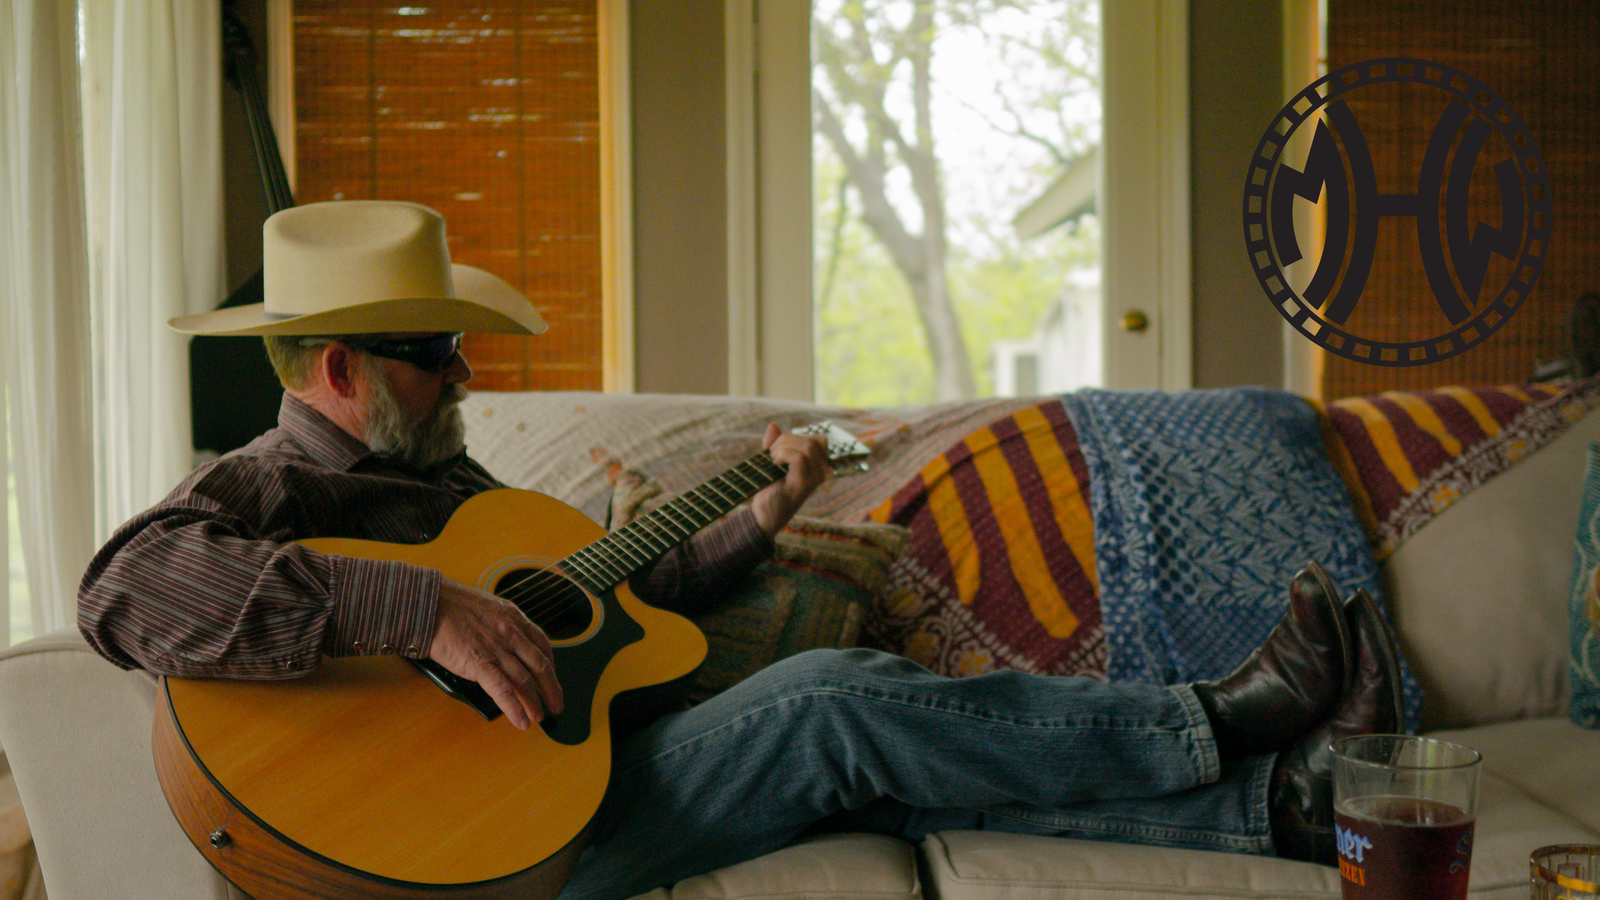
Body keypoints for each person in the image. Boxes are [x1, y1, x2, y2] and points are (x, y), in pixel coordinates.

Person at [78, 200, 1403, 899]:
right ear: (337, 368)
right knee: (830, 705)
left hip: (561, 792)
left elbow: (619, 602)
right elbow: (119, 589)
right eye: (435, 353)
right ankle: (1211, 718)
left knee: (886, 777)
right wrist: (422, 611)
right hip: (459, 857)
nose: (466, 373)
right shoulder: (259, 490)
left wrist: (765, 513)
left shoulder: (452, 486)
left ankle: (1278, 813)